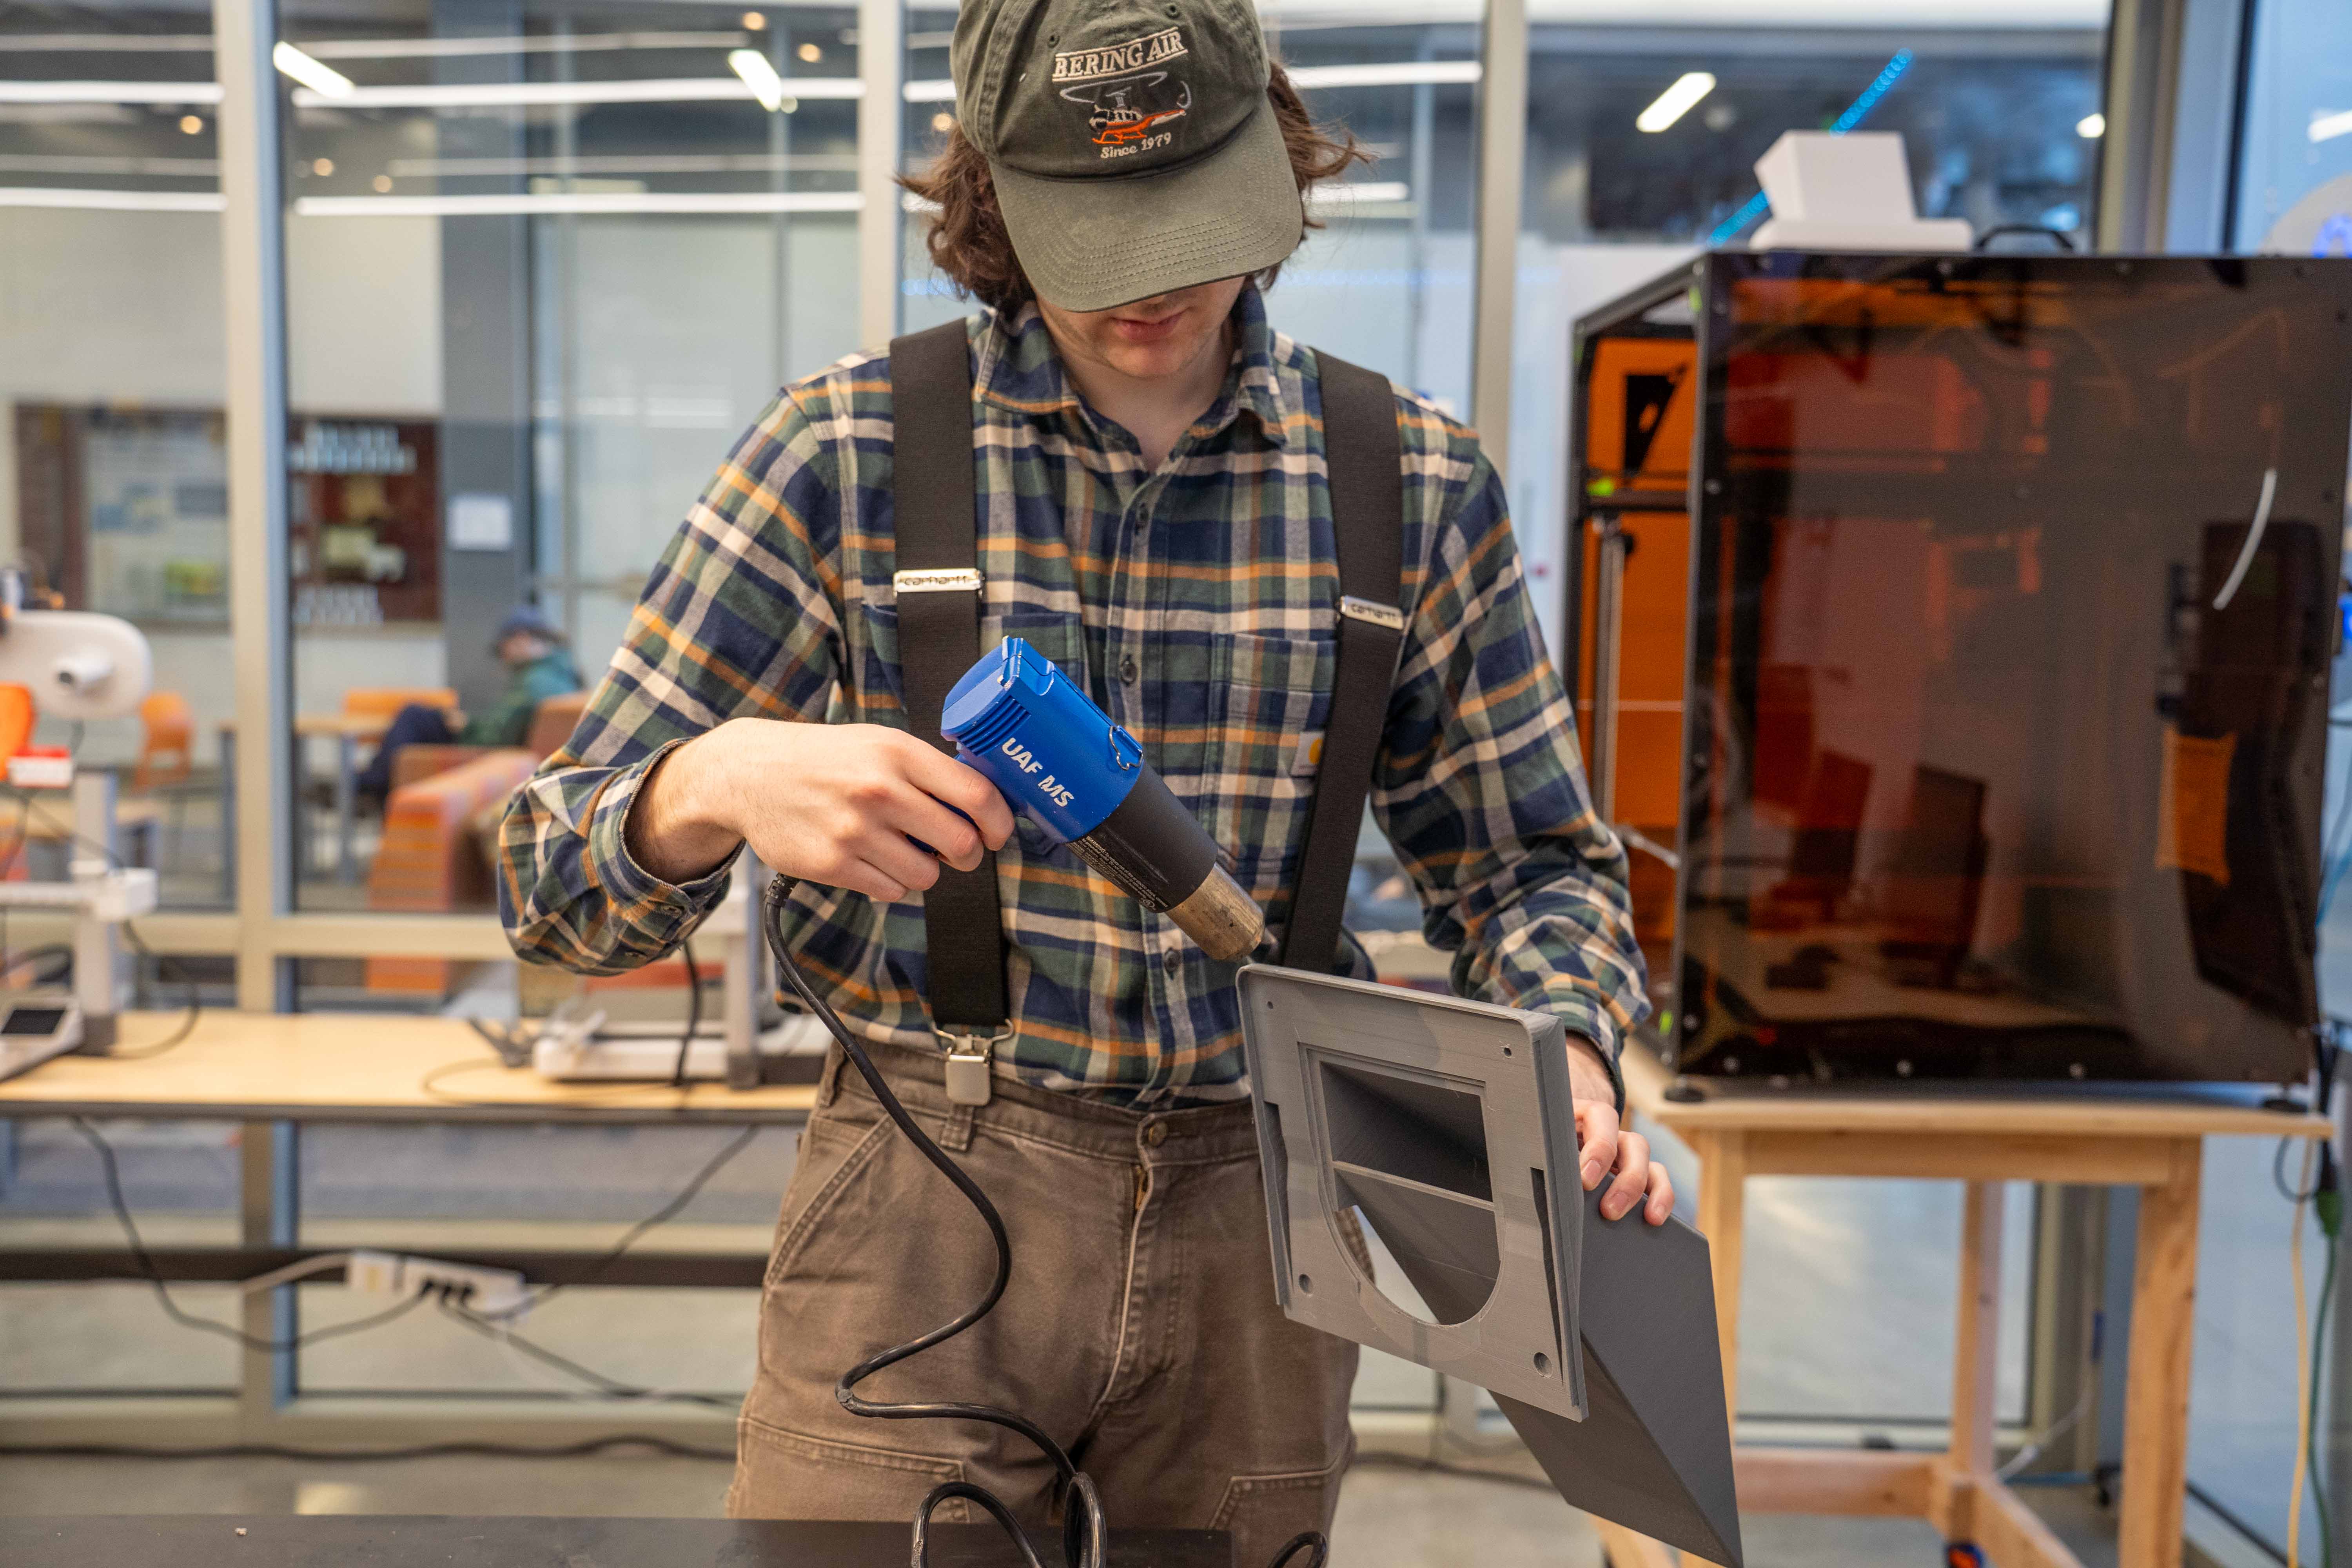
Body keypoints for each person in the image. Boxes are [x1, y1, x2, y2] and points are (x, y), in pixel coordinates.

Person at [497, 0, 1670, 1558]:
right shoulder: (845, 449)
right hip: (924, 1195)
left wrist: (1566, 1045)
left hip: (1263, 1219)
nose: (1151, 288)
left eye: (1191, 220)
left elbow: (1532, 864)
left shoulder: (1410, 481)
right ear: (995, 201)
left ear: (1272, 164)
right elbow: (549, 887)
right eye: (1097, 236)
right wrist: (705, 783)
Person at [356, 605, 581, 806]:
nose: (504, 659)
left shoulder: (535, 682)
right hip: (507, 752)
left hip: (485, 753)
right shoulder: (560, 675)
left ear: (521, 639)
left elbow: (497, 737)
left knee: (413, 715)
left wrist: (466, 726)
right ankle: (373, 780)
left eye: (503, 650)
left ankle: (372, 782)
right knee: (422, 716)